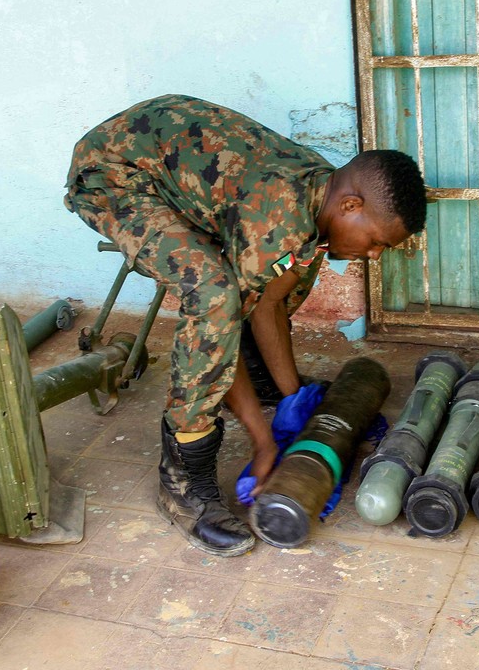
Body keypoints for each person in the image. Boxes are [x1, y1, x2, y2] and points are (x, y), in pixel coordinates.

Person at [64, 93, 427, 556]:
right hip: (115, 176)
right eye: (376, 242)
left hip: (169, 168)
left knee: (293, 268)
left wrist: (295, 400)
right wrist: (263, 443)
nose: (374, 255)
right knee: (213, 294)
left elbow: (268, 301)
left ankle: (261, 379)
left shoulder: (320, 193)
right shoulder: (274, 217)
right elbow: (232, 315)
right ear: (351, 204)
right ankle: (182, 481)